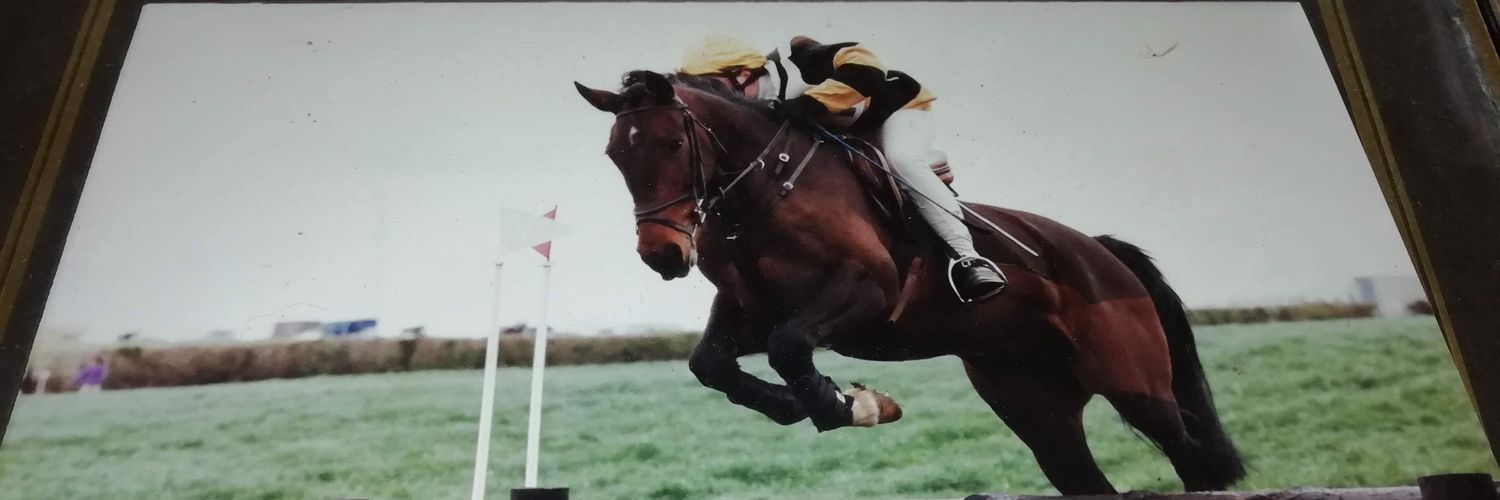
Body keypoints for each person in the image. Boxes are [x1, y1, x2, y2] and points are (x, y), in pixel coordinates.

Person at [677, 35, 1007, 302]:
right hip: (845, 131)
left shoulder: (798, 60)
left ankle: (968, 259)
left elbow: (866, 66)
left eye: (712, 85)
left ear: (741, 74)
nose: (709, 96)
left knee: (902, 160)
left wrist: (806, 104)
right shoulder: (747, 109)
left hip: (898, 112)